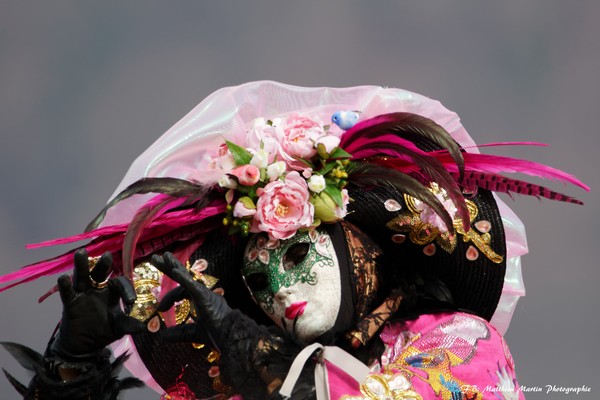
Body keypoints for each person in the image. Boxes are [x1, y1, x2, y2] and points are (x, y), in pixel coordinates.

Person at [0, 81, 588, 399]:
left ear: (361, 247)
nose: (281, 291)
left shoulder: (461, 347)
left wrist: (270, 371)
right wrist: (73, 367)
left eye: (300, 252)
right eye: (256, 282)